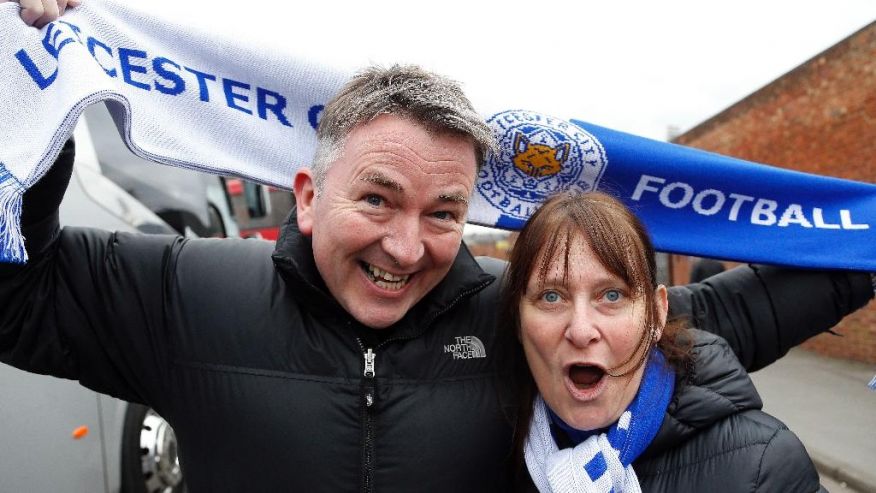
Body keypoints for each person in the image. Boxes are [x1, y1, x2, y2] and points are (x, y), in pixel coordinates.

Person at [2, 2, 874, 491]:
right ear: (308, 195)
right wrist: (30, 90)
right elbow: (19, 296)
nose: (406, 244)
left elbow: (715, 315)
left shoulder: (522, 317)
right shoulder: (183, 293)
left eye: (444, 212)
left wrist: (863, 237)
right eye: (377, 199)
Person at [501, 191, 824, 492]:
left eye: (612, 295)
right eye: (552, 296)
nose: (582, 330)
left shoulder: (761, 468)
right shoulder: (485, 456)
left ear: (657, 314)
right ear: (518, 320)